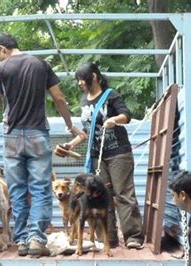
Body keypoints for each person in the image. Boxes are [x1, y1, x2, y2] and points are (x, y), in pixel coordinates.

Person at [0, 32, 84, 257]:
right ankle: (37, 238)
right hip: (37, 133)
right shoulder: (41, 65)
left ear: (2, 48)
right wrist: (69, 125)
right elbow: (59, 99)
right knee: (39, 189)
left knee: (17, 190)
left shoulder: (0, 69)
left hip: (12, 136)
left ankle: (22, 241)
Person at [57, 62, 144, 249]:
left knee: (123, 193)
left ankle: (133, 236)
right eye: (77, 80)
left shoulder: (110, 95)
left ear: (94, 77)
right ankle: (108, 238)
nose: (79, 83)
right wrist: (70, 144)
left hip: (118, 152)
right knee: (99, 195)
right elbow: (87, 132)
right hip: (97, 155)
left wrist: (113, 119)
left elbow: (126, 115)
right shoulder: (84, 101)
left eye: (81, 79)